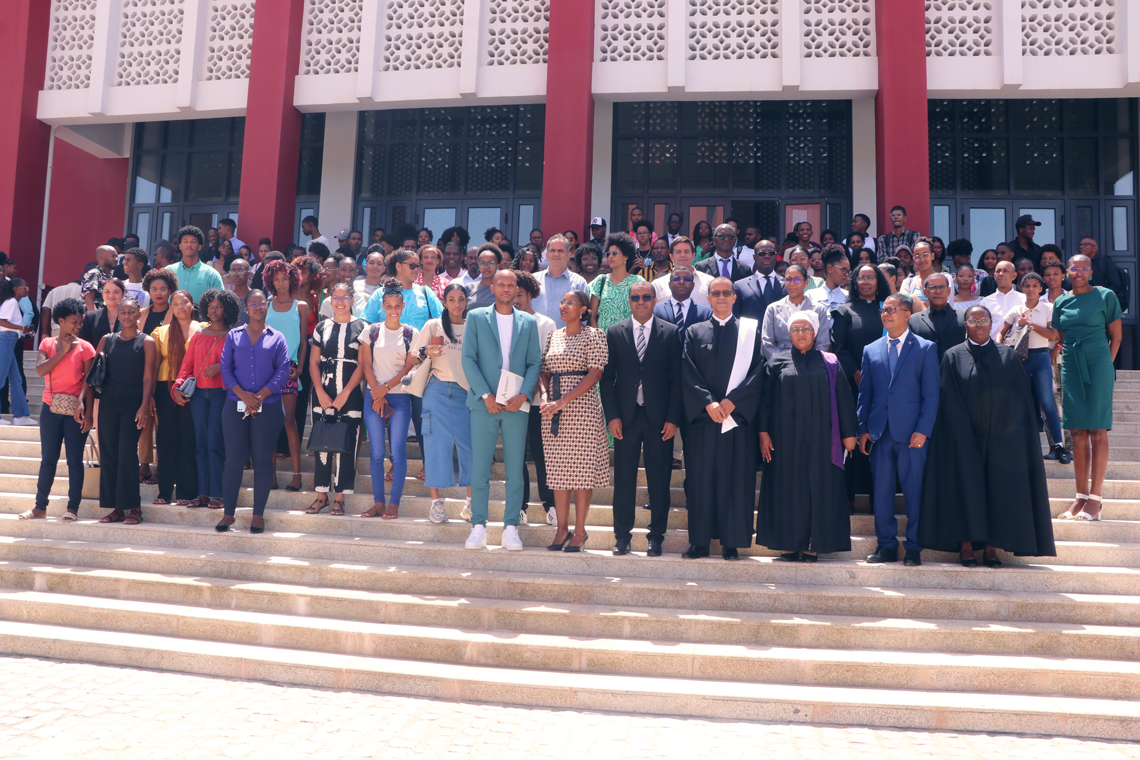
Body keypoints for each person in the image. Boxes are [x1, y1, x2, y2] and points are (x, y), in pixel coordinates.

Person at [918, 304, 1057, 566]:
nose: (979, 325)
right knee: (964, 489)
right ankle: (967, 545)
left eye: (984, 320)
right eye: (973, 320)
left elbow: (1020, 403)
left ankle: (992, 547)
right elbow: (947, 399)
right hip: (962, 439)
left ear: (991, 324)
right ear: (966, 325)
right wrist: (962, 432)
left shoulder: (1008, 356)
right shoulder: (952, 356)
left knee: (997, 491)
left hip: (1000, 441)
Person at [757, 310, 858, 561]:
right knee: (786, 487)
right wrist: (763, 433)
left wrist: (848, 434)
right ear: (788, 334)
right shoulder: (776, 362)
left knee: (818, 486)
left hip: (823, 439)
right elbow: (764, 401)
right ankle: (788, 544)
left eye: (805, 329)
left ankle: (815, 543)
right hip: (783, 439)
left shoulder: (831, 362)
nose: (800, 334)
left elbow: (844, 399)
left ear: (814, 332)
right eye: (795, 329)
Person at [680, 277, 765, 560]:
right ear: (708, 298)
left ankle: (732, 541)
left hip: (737, 421)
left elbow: (758, 372)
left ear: (734, 297)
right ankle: (700, 542)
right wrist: (708, 403)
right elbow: (687, 372)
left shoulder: (750, 332)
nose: (721, 297)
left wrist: (732, 402)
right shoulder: (694, 332)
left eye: (726, 293)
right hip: (704, 422)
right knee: (700, 481)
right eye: (715, 293)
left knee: (736, 480)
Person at [461, 270, 542, 551]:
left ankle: (510, 527)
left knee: (515, 468)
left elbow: (534, 362)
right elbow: (468, 359)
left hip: (516, 404)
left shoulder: (528, 321)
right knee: (480, 467)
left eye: (511, 285)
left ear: (517, 289)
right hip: (484, 403)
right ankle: (479, 525)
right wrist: (485, 394)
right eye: (501, 284)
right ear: (493, 287)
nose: (506, 289)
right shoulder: (476, 317)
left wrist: (523, 395)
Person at [857, 293, 940, 567]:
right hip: (880, 434)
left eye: (892, 309)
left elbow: (931, 395)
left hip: (912, 435)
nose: (886, 314)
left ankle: (914, 547)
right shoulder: (871, 349)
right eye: (884, 310)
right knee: (881, 493)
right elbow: (865, 393)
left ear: (907, 314)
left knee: (914, 493)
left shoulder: (925, 348)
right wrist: (863, 428)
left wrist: (923, 430)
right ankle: (886, 546)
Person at [600, 282, 680, 556]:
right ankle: (622, 536)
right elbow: (607, 379)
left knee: (659, 479)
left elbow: (677, 380)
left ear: (655, 300)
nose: (641, 301)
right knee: (623, 479)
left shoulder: (670, 332)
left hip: (660, 419)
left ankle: (656, 536)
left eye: (646, 297)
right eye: (636, 297)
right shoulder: (614, 332)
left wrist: (673, 418)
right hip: (626, 416)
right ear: (629, 301)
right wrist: (612, 416)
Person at [537, 289, 609, 552]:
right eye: (562, 301)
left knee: (581, 472)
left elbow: (595, 374)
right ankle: (561, 530)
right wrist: (545, 397)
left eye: (571, 302)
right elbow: (544, 371)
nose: (564, 305)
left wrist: (563, 400)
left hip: (582, 409)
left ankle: (579, 531)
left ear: (583, 310)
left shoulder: (595, 335)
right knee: (557, 472)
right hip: (552, 410)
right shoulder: (553, 336)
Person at [215, 290, 292, 533]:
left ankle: (258, 514)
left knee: (261, 460)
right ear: (245, 307)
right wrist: (243, 394)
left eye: (262, 303)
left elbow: (283, 371)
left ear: (267, 306)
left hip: (267, 407)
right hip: (235, 404)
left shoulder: (277, 337)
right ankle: (229, 514)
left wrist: (260, 396)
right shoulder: (233, 335)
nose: (258, 307)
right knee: (234, 460)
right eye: (253, 303)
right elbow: (226, 369)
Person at [1053, 254, 1123, 522]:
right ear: (1067, 272)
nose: (1079, 272)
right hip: (1071, 365)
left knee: (1097, 430)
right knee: (1077, 432)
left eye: (1084, 268)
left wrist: (1105, 365)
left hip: (1099, 364)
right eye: (1074, 268)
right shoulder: (1060, 301)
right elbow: (1061, 336)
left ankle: (1095, 499)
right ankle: (1080, 497)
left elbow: (1116, 337)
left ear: (1091, 272)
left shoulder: (1106, 296)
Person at [20, 298, 95, 521]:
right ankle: (39, 507)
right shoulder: (47, 344)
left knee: (74, 460)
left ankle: (73, 508)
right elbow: (41, 371)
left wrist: (87, 411)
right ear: (61, 320)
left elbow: (89, 381)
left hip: (76, 409)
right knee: (48, 459)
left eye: (80, 322)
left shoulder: (86, 347)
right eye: (74, 322)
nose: (78, 326)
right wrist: (63, 351)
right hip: (50, 407)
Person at [358, 280, 422, 519]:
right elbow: (365, 364)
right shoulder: (371, 331)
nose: (393, 310)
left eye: (398, 306)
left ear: (403, 306)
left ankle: (394, 503)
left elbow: (409, 367)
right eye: (389, 305)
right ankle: (378, 503)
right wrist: (376, 392)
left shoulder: (411, 333)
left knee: (398, 451)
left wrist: (385, 389)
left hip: (399, 397)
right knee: (376, 453)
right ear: (383, 305)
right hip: (374, 396)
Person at [830, 264, 891, 511]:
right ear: (854, 282)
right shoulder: (844, 311)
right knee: (853, 437)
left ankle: (880, 497)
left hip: (886, 386)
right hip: (853, 386)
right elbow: (839, 347)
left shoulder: (888, 309)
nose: (865, 282)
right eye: (861, 278)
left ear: (879, 281)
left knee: (881, 439)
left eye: (871, 278)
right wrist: (855, 372)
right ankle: (848, 496)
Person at [414, 282, 474, 524]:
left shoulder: (474, 326)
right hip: (436, 389)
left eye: (461, 299)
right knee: (436, 445)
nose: (457, 304)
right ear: (444, 301)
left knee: (469, 447)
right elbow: (412, 356)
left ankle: (471, 503)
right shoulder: (433, 325)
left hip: (466, 391)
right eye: (452, 299)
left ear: (467, 301)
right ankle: (436, 504)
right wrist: (425, 351)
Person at [174, 289, 239, 508]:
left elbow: (241, 365)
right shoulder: (198, 336)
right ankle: (202, 493)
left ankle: (218, 494)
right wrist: (176, 387)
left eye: (218, 306)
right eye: (210, 306)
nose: (213, 310)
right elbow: (187, 367)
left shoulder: (234, 335)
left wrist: (220, 366)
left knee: (215, 444)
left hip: (222, 394)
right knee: (200, 445)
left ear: (227, 308)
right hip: (199, 395)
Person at [95, 298, 156, 526]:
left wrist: (144, 404)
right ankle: (116, 508)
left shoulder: (147, 341)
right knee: (109, 454)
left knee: (127, 454)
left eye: (132, 311)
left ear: (139, 313)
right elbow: (95, 373)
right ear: (118, 314)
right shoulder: (107, 340)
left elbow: (148, 376)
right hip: (109, 403)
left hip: (133, 405)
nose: (127, 315)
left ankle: (135, 508)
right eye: (123, 312)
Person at [306, 282, 366, 516]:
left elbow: (363, 365)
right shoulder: (321, 327)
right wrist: (319, 391)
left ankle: (340, 497)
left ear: (352, 299)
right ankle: (321, 496)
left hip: (350, 394)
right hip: (323, 392)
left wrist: (346, 393)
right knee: (322, 443)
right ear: (330, 300)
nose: (340, 301)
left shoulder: (363, 327)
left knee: (348, 443)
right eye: (336, 297)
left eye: (345, 297)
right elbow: (313, 362)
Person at [997, 272, 1069, 464]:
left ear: (1040, 288)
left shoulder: (1048, 307)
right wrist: (1002, 349)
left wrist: (1030, 324)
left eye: (1034, 286)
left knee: (1047, 402)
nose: (1030, 289)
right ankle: (1023, 446)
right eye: (1027, 286)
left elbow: (1054, 336)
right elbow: (1000, 333)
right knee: (1023, 403)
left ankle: (1059, 446)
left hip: (1040, 356)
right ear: (1022, 288)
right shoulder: (1016, 309)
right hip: (1020, 358)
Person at [513, 271, 557, 523]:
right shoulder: (504, 321)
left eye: (520, 293)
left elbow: (546, 363)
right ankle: (520, 507)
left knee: (542, 455)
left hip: (539, 402)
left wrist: (537, 391)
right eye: (512, 294)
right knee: (517, 455)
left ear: (530, 293)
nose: (516, 299)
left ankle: (550, 505)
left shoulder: (545, 323)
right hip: (513, 400)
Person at [262, 260, 310, 493]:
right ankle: (270, 476)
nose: (280, 283)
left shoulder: (300, 306)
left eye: (284, 278)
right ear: (270, 280)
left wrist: (300, 368)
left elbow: (303, 341)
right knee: (269, 423)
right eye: (276, 279)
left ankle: (297, 475)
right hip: (266, 369)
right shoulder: (266, 304)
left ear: (292, 279)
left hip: (290, 368)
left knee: (289, 420)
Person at [150, 289, 199, 506]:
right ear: (171, 307)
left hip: (194, 389)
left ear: (192, 305)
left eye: (184, 302)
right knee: (166, 440)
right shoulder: (160, 332)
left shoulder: (204, 329)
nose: (180, 306)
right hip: (165, 388)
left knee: (189, 440)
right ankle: (164, 492)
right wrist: (149, 395)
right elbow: (153, 366)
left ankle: (187, 493)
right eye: (176, 303)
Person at [760, 264, 830, 361]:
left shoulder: (819, 309)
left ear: (806, 282)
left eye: (797, 280)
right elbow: (767, 343)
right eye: (788, 279)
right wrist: (783, 363)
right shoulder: (773, 309)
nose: (792, 284)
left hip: (812, 364)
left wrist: (810, 363)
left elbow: (823, 343)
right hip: (780, 365)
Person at [589, 233, 647, 332]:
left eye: (615, 253)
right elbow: (592, 315)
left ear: (626, 257)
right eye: (608, 253)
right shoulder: (600, 281)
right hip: (603, 341)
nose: (610, 256)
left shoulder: (638, 281)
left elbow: (643, 312)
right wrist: (597, 338)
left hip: (629, 339)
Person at [907, 272, 966, 361]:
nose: (938, 291)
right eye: (933, 288)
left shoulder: (964, 317)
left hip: (955, 373)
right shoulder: (913, 321)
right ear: (925, 292)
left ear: (949, 291)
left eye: (942, 287)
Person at [0, 278, 35, 425]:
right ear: (16, 288)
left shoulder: (13, 302)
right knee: (1, 378)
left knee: (16, 379)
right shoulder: (12, 302)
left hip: (9, 340)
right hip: (6, 340)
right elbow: (1, 321)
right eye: (24, 286)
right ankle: (20, 416)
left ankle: (21, 416)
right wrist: (21, 328)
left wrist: (23, 331)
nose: (27, 288)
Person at [532, 234, 588, 326]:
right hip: (537, 338)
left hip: (567, 339)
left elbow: (583, 318)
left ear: (568, 255)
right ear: (546, 255)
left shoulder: (579, 283)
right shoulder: (533, 280)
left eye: (560, 251)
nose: (556, 254)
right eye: (552, 250)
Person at [167, 226, 224, 302]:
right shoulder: (168, 272)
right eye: (185, 241)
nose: (189, 245)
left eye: (193, 242)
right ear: (180, 246)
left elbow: (221, 302)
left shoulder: (211, 274)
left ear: (200, 247)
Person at [652, 236, 713, 308]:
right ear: (671, 257)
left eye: (686, 251)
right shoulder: (658, 285)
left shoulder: (709, 282)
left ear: (693, 255)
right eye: (678, 252)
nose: (683, 255)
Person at [733, 241, 785, 322]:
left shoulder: (787, 284)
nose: (767, 256)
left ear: (776, 256)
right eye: (762, 253)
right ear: (754, 257)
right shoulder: (739, 286)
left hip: (780, 333)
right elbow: (736, 316)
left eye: (771, 253)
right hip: (752, 333)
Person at [1079, 237, 1129, 311]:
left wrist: (1103, 299)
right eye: (1080, 245)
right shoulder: (1078, 264)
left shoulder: (1105, 262)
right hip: (1082, 303)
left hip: (1103, 304)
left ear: (1095, 248)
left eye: (1085, 244)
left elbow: (1115, 283)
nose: (1081, 247)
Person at [980, 260, 1025, 341]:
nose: (1001, 274)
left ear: (1014, 276)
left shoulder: (1024, 299)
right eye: (998, 271)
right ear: (994, 276)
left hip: (1018, 348)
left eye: (1005, 271)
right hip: (993, 348)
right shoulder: (985, 302)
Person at [79, 278, 124, 351]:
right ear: (102, 294)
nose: (111, 295)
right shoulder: (91, 317)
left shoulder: (129, 317)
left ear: (123, 294)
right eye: (107, 292)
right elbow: (83, 345)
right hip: (96, 361)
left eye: (116, 292)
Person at [807, 244, 850, 312]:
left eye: (848, 271)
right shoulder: (810, 295)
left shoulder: (848, 297)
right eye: (843, 270)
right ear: (830, 268)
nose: (846, 274)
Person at [898, 238, 938, 312]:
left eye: (925, 255)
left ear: (932, 256)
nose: (922, 259)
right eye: (917, 256)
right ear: (913, 259)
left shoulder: (945, 278)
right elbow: (904, 307)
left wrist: (915, 302)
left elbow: (945, 304)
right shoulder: (908, 282)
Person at [464, 245, 501, 309]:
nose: (486, 267)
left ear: (497, 266)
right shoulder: (469, 288)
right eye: (482, 263)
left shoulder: (502, 289)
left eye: (490, 263)